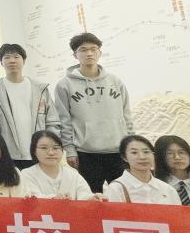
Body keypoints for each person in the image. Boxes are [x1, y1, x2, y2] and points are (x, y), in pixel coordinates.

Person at [54, 33, 134, 193]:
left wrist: (131, 145)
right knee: (91, 197)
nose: (89, 53)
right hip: (86, 153)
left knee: (123, 196)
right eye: (83, 50)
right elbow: (64, 121)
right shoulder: (64, 85)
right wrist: (70, 150)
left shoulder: (115, 81)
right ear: (75, 55)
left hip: (117, 151)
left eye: (93, 49)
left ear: (100, 52)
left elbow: (126, 115)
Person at [0, 43, 60, 169]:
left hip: (39, 153)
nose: (12, 60)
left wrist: (49, 147)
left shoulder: (39, 88)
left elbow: (52, 121)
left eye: (16, 57)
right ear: (1, 63)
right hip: (8, 155)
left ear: (24, 61)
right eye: (7, 57)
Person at [20, 130, 101, 201]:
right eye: (44, 148)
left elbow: (84, 194)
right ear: (34, 151)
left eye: (56, 148)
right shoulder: (27, 174)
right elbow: (33, 198)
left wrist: (92, 198)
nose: (51, 153)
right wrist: (54, 198)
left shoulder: (73, 174)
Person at [104, 135, 178, 205]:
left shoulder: (168, 189)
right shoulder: (116, 189)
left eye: (146, 152)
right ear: (124, 157)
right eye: (134, 153)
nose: (142, 157)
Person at [154, 135, 190, 206]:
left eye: (181, 152)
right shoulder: (155, 187)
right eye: (170, 153)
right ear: (160, 158)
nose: (177, 157)